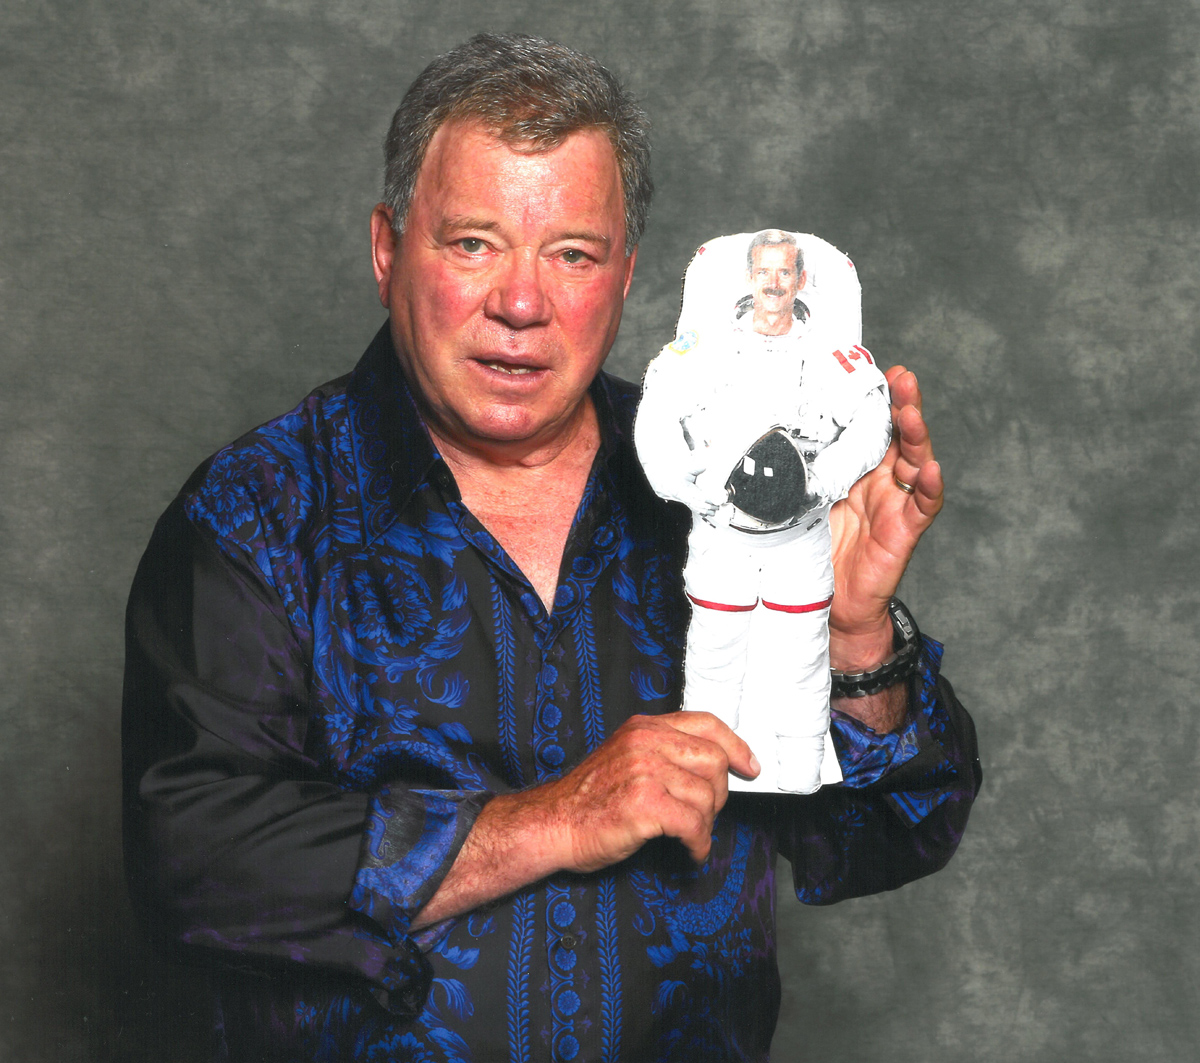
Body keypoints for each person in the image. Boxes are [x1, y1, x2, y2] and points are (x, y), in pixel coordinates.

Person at [122, 32, 981, 1062]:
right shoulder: (257, 511)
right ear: (389, 251)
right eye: (473, 242)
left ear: (624, 278)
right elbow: (195, 863)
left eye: (570, 253)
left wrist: (850, 638)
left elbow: (893, 833)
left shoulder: (729, 497)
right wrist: (548, 820)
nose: (521, 304)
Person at [634, 229, 893, 794]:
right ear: (748, 279)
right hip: (722, 532)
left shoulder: (830, 357)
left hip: (799, 534)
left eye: (785, 273)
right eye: (763, 272)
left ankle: (801, 782)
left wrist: (822, 481)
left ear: (801, 281)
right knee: (713, 658)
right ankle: (707, 782)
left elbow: (873, 418)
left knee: (801, 662)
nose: (774, 283)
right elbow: (655, 420)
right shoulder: (700, 354)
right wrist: (682, 486)